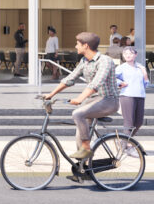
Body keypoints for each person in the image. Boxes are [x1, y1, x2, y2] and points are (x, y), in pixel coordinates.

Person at [43, 32, 119, 164]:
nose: (75, 46)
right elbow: (70, 78)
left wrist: (79, 99)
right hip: (93, 101)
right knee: (80, 125)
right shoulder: (84, 61)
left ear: (86, 46)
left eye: (78, 44)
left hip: (108, 100)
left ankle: (86, 148)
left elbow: (96, 83)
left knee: (77, 114)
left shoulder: (105, 61)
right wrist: (51, 94)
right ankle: (83, 165)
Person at [116, 46, 148, 139]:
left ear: (135, 55)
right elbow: (111, 78)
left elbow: (146, 84)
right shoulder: (121, 67)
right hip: (127, 96)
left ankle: (126, 141)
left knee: (139, 122)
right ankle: (125, 144)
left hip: (140, 96)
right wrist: (120, 83)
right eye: (125, 53)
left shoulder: (140, 67)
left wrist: (144, 72)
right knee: (129, 123)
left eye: (130, 53)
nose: (128, 55)